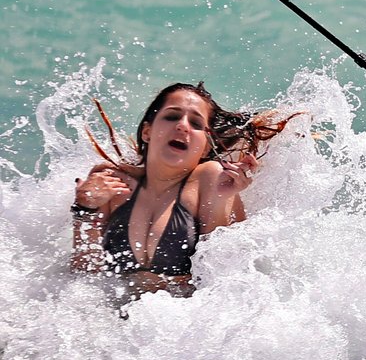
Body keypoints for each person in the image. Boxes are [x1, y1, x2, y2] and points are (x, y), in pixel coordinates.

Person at [70, 82, 293, 297]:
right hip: (109, 320)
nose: (182, 125)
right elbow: (84, 276)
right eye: (172, 116)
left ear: (206, 145)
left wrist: (221, 200)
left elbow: (224, 281)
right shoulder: (109, 179)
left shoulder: (209, 179)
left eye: (196, 124)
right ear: (147, 131)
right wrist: (84, 209)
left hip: (182, 325)